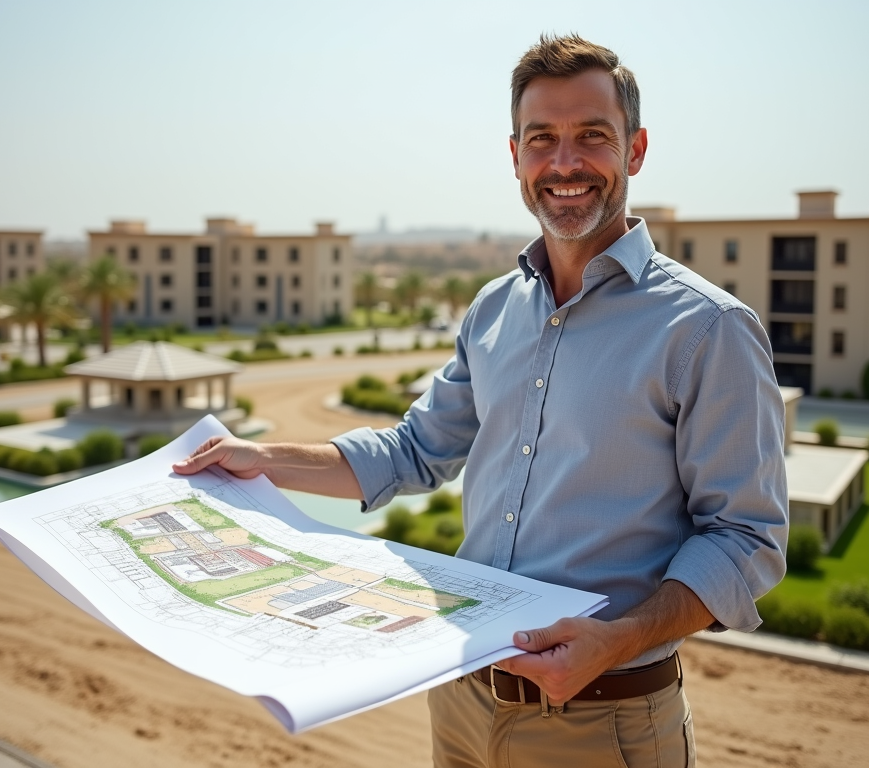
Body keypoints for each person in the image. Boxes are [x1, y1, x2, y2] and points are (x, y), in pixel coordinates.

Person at [175, 33, 788, 768]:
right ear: (515, 157)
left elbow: (746, 539)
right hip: (461, 700)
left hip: (603, 721)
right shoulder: (495, 309)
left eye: (592, 136)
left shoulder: (707, 328)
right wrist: (263, 458)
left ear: (636, 149)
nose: (564, 163)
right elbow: (412, 452)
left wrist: (616, 641)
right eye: (542, 140)